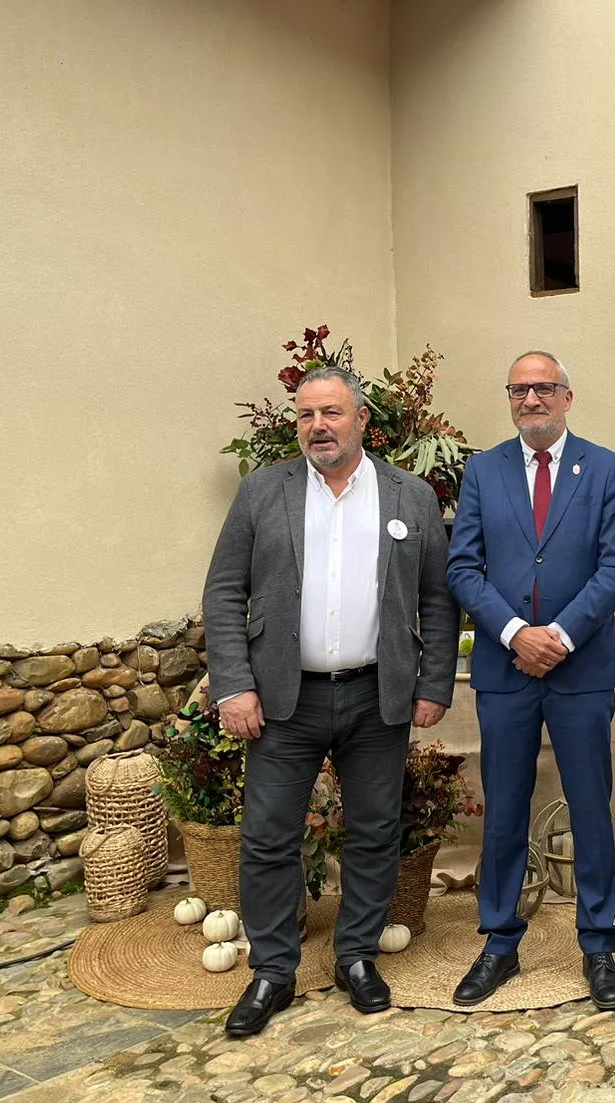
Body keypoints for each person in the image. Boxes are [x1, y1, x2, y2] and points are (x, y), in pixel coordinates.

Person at [203, 365, 458, 1037]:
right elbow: (224, 591)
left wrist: (432, 684)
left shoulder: (411, 497)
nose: (318, 425)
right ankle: (273, 972)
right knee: (267, 836)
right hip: (285, 699)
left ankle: (356, 958)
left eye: (332, 413)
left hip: (378, 695)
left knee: (375, 831)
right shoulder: (263, 492)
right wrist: (233, 683)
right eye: (307, 414)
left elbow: (437, 598)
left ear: (362, 421)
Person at [445, 351, 615, 1009]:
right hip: (505, 669)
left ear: (566, 396)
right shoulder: (483, 470)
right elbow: (463, 568)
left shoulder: (604, 468)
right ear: (510, 399)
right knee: (503, 811)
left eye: (543, 388)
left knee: (589, 806)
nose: (531, 399)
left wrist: (556, 636)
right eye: (519, 389)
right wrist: (513, 635)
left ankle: (598, 943)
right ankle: (499, 942)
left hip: (579, 668)